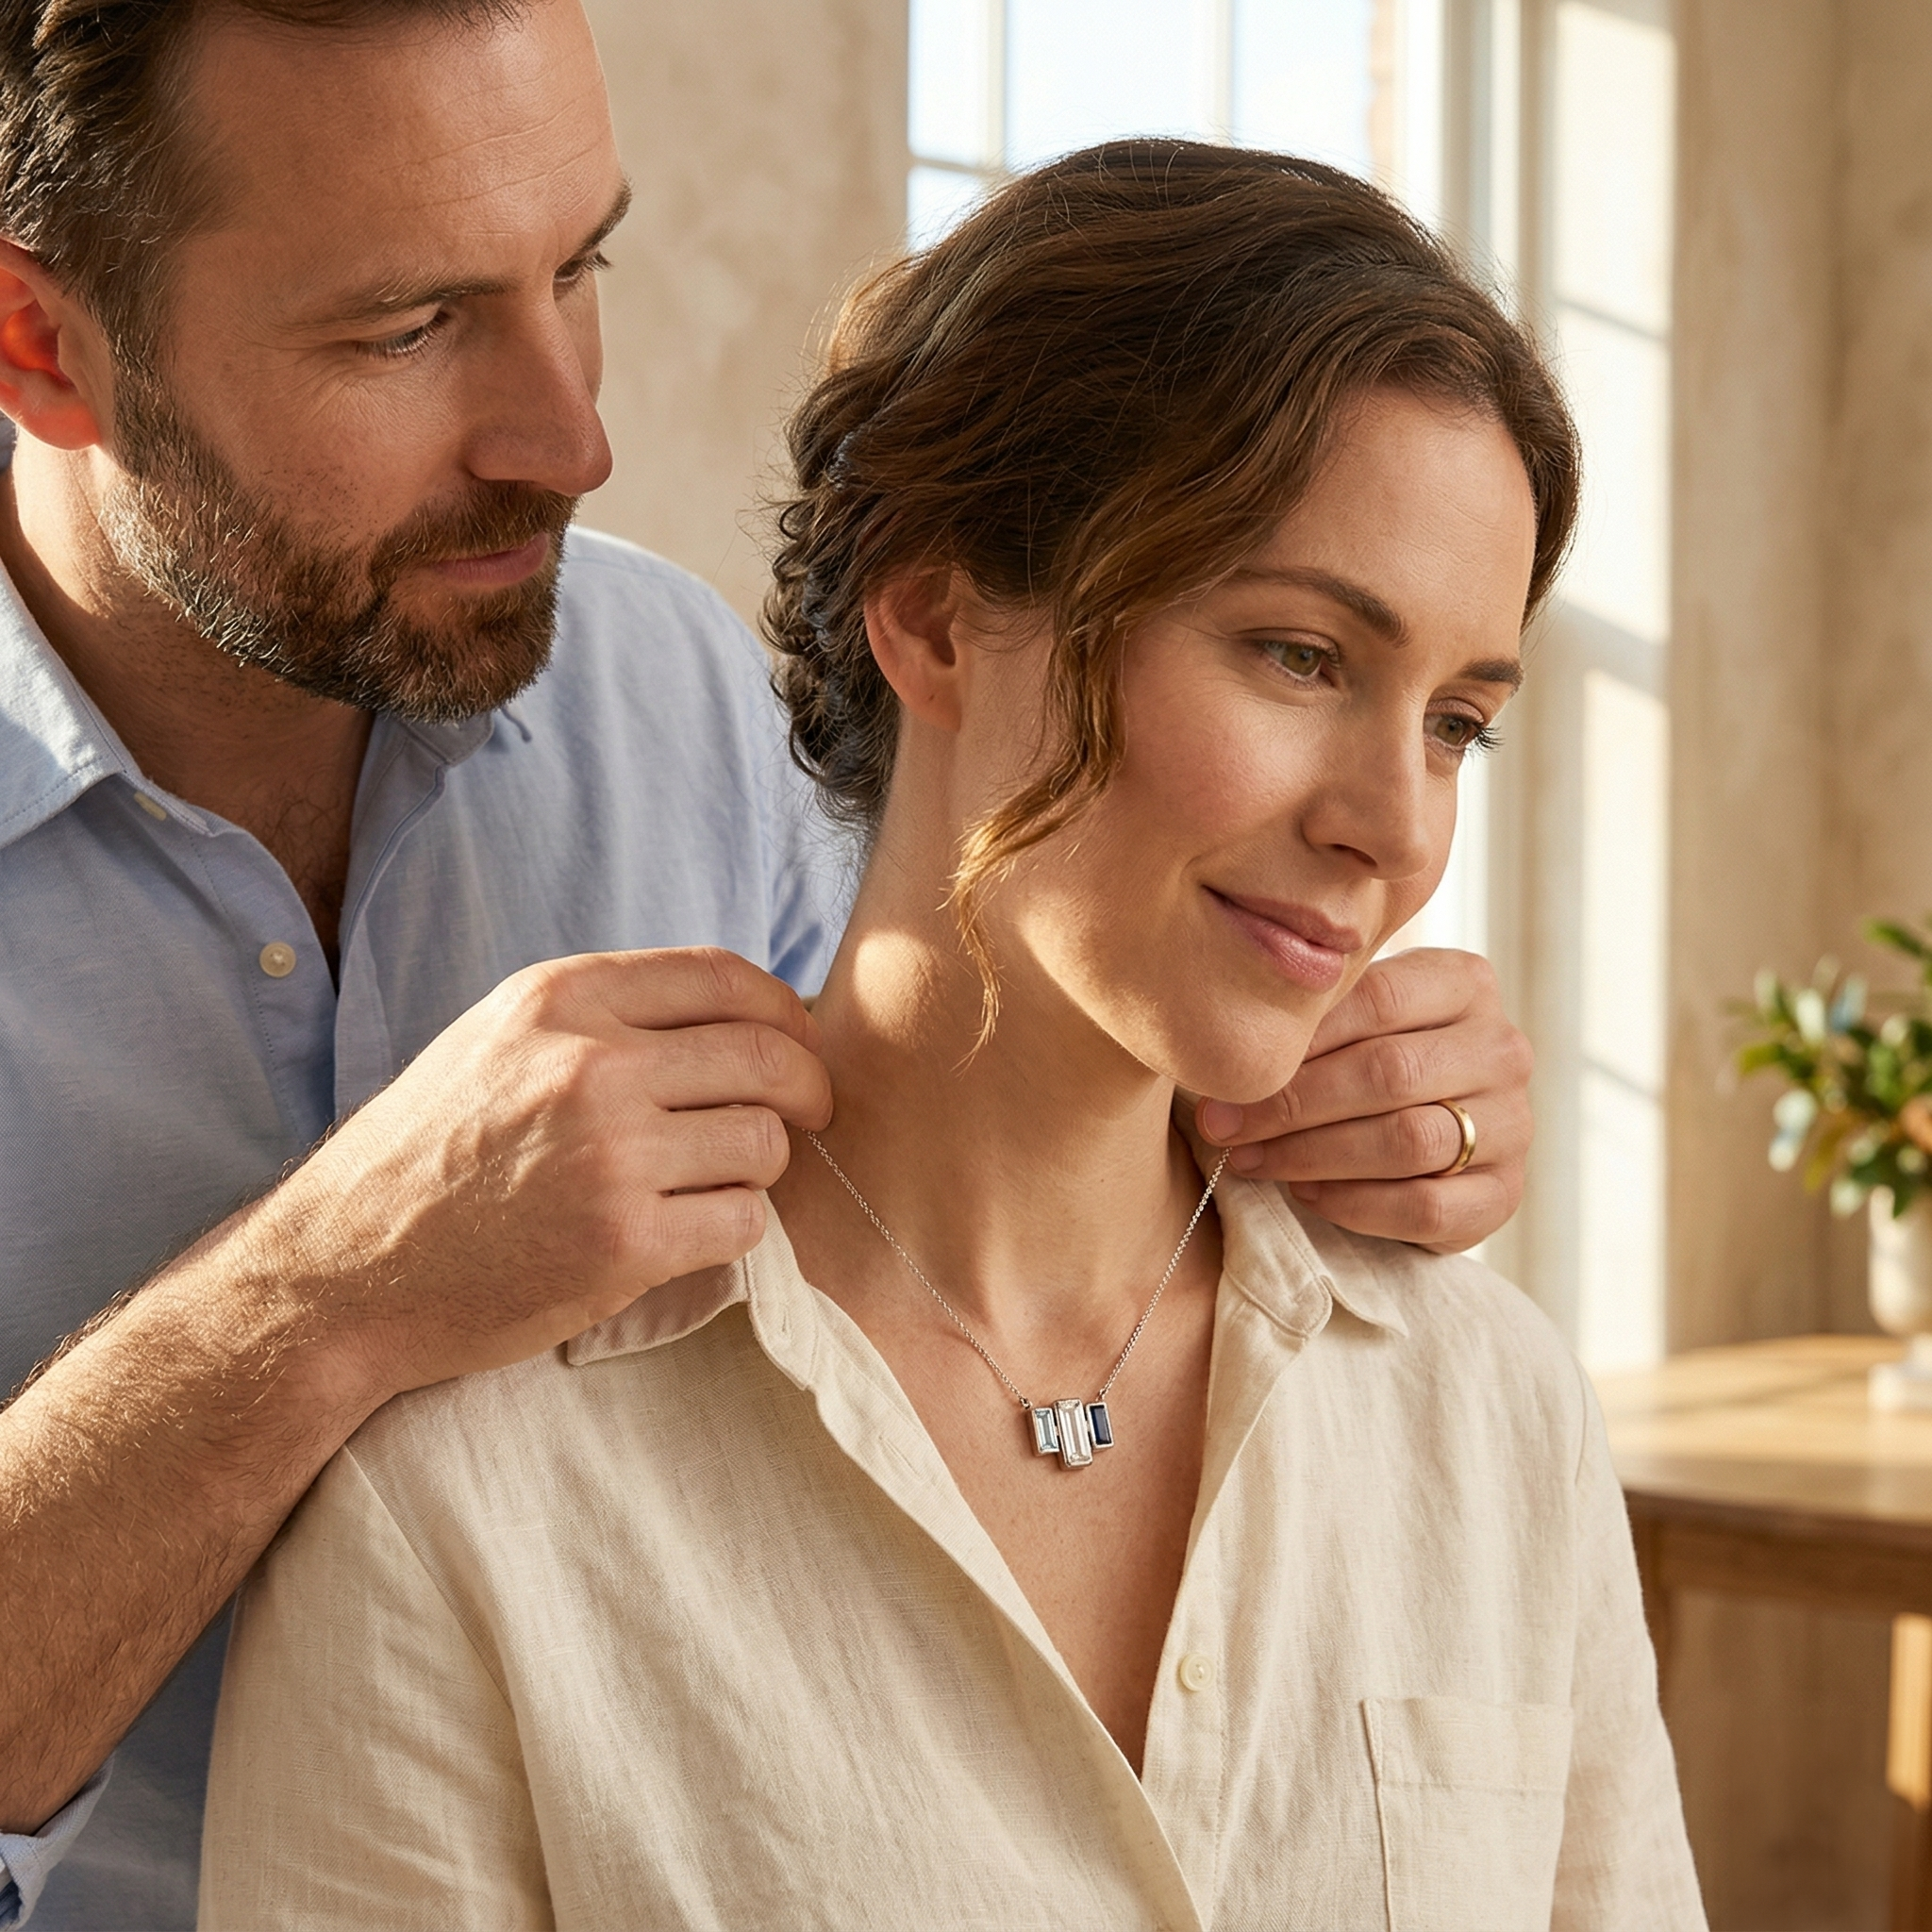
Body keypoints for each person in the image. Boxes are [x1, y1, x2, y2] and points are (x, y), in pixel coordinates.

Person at [0, 4, 1536, 1927]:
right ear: (41, 342)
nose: (573, 435)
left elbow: (984, 1051)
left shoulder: (654, 686)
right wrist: (327, 1298)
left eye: (579, 268)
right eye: (405, 328)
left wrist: (1366, 1077)